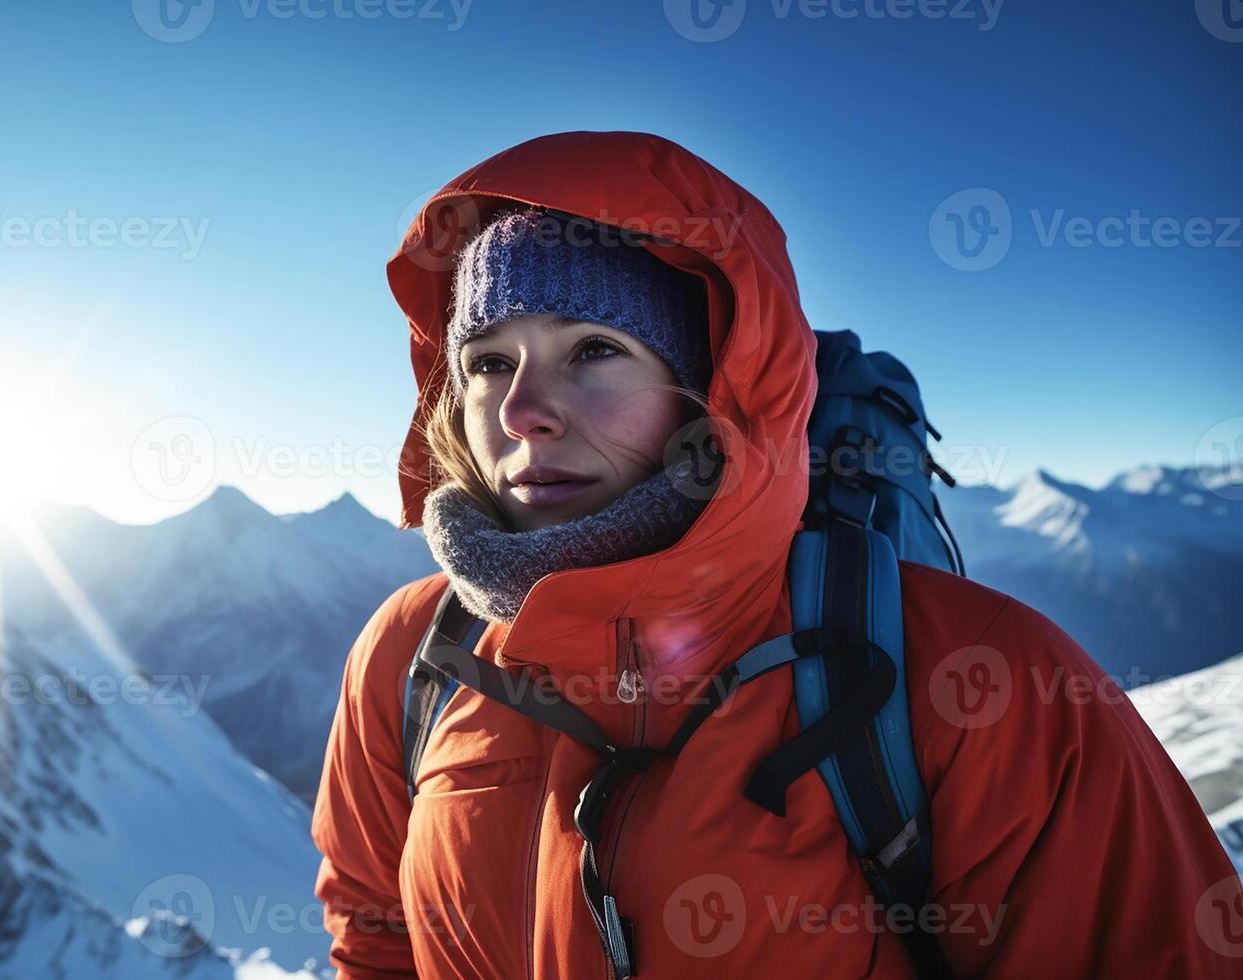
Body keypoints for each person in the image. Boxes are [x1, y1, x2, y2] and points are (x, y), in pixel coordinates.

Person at [310, 130, 1241, 978]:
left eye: (593, 348)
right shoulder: (414, 656)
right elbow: (376, 939)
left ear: (709, 389)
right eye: (486, 362)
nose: (521, 412)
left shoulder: (980, 679)